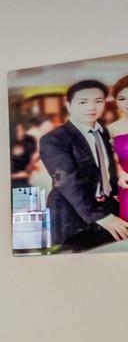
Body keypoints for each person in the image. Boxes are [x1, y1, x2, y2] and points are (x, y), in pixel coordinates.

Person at [40, 79, 126, 250]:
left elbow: (103, 166)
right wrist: (103, 217)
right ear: (68, 105)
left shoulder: (102, 131)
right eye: (83, 102)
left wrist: (117, 183)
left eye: (98, 101)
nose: (91, 107)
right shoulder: (55, 139)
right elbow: (66, 180)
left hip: (107, 209)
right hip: (73, 218)